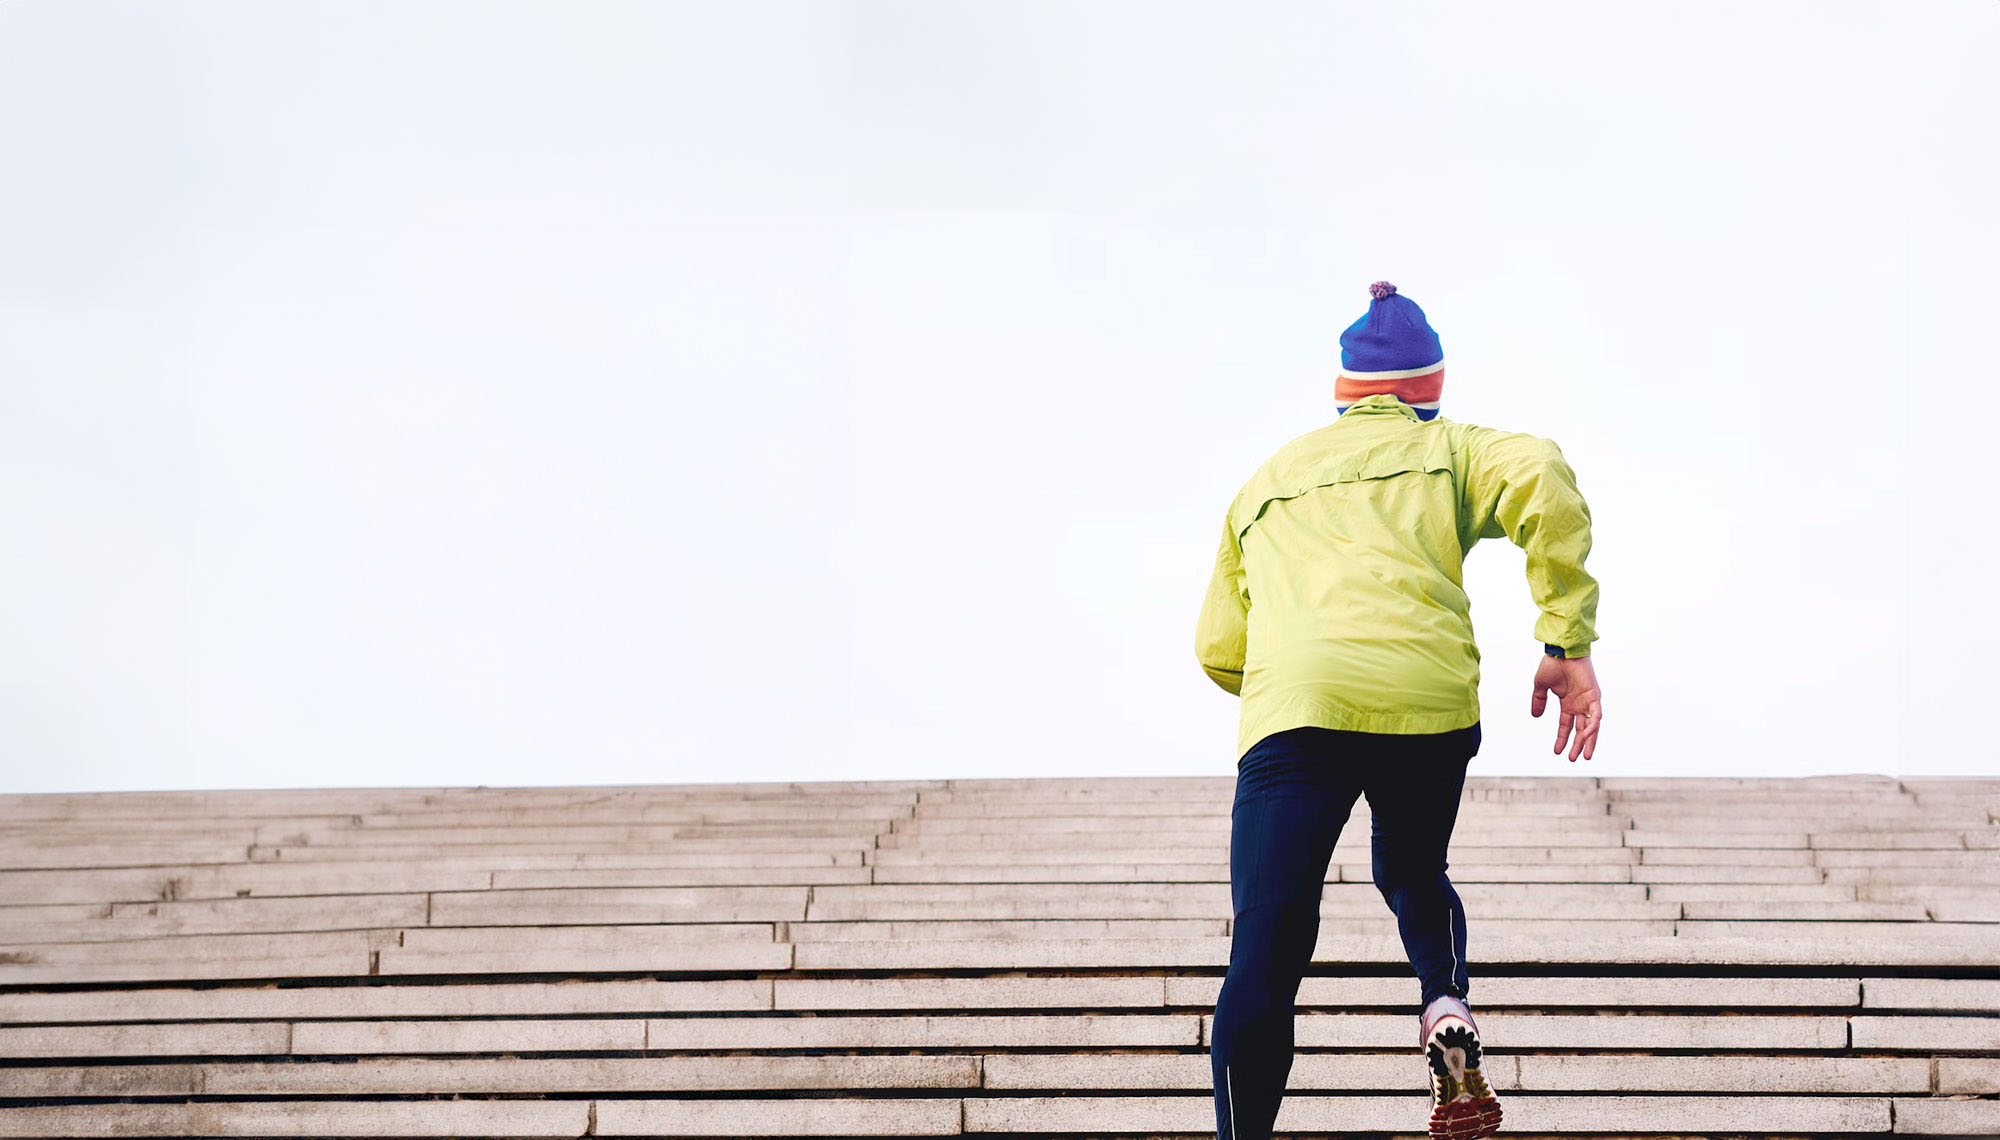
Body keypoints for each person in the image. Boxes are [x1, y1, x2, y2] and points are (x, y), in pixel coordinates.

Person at [1194, 281, 1604, 1140]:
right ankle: (1444, 1000)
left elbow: (1218, 646)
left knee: (1265, 948)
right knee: (1413, 869)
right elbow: (1540, 471)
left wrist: (1297, 677)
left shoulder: (1266, 481)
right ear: (1430, 387)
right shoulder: (1452, 448)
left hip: (1296, 711)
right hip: (1425, 698)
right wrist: (1565, 643)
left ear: (1344, 390)